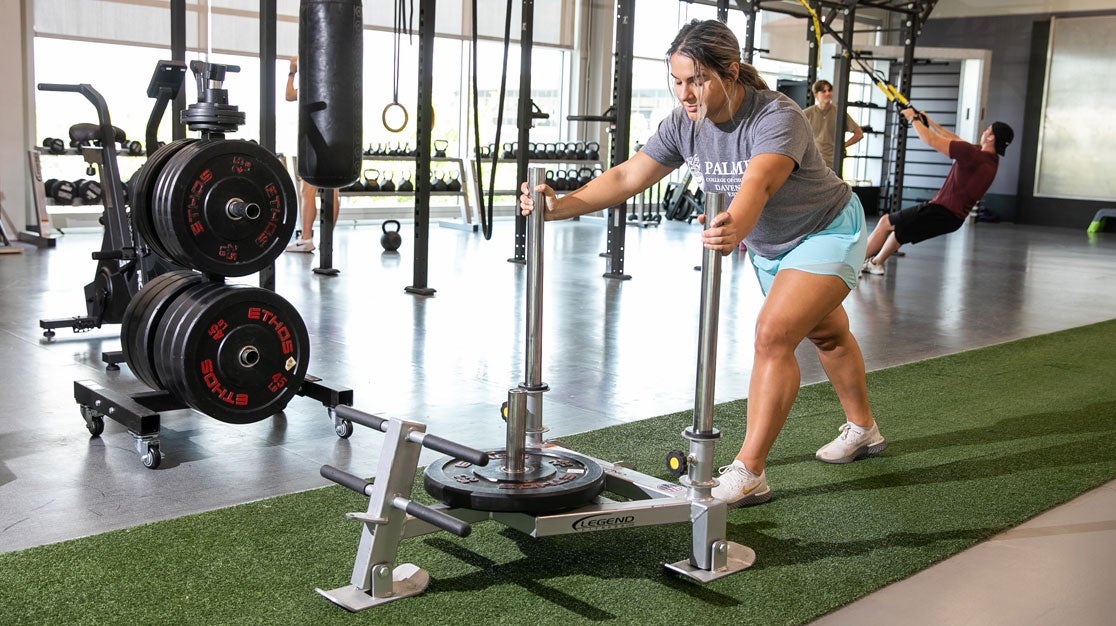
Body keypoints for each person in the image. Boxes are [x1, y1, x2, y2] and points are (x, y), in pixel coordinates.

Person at [519, 19, 885, 508]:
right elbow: (630, 174)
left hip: (825, 229)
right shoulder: (682, 124)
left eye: (697, 80)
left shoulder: (776, 116)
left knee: (774, 334)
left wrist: (734, 221)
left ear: (729, 72)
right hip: (770, 244)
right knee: (826, 334)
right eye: (677, 80)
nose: (686, 93)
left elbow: (760, 183)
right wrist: (561, 204)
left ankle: (750, 470)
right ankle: (863, 429)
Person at [861, 110, 1013, 275]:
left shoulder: (973, 155)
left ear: (991, 138)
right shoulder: (990, 160)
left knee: (885, 222)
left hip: (940, 211)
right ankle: (876, 263)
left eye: (987, 130)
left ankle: (851, 266)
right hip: (954, 219)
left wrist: (913, 118)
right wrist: (930, 122)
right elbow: (954, 139)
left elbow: (930, 139)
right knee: (901, 231)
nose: (984, 132)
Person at [285, 55, 339, 254]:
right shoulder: (333, 83)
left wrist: (292, 71)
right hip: (332, 142)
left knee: (307, 191)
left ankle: (306, 239)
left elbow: (289, 95)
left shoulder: (315, 84)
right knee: (332, 190)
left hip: (317, 143)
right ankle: (327, 238)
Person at [802, 79, 863, 171]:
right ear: (816, 95)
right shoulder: (807, 113)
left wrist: (842, 146)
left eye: (829, 90)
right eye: (823, 91)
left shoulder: (839, 113)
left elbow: (859, 134)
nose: (827, 93)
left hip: (833, 164)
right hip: (810, 163)